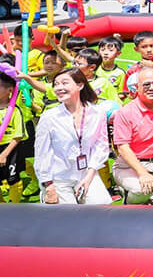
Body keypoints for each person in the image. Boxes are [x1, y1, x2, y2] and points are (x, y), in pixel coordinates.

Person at [33, 68, 111, 205]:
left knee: (101, 206)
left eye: (64, 83)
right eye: (56, 84)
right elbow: (42, 154)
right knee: (68, 214)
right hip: (58, 177)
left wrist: (89, 177)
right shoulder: (49, 117)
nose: (59, 88)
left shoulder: (97, 113)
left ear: (80, 85)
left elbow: (101, 146)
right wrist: (48, 185)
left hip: (86, 173)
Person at [112, 67, 153, 205]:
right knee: (141, 190)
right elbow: (123, 147)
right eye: (146, 84)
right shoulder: (125, 112)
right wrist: (142, 173)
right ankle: (129, 205)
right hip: (130, 167)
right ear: (137, 87)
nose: (152, 88)